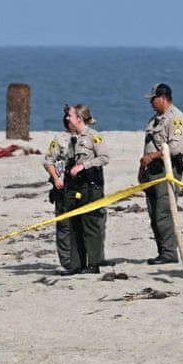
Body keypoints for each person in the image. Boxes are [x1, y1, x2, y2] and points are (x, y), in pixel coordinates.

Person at [138, 83, 183, 265]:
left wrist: (153, 156)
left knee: (164, 212)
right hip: (152, 171)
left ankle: (169, 253)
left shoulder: (176, 119)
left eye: (153, 99)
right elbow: (148, 146)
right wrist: (142, 169)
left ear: (163, 98)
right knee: (153, 213)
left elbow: (174, 148)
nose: (151, 103)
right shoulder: (155, 120)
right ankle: (162, 251)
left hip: (167, 169)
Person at [61, 104, 109, 275]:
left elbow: (104, 158)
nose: (67, 119)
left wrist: (84, 166)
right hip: (74, 186)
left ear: (79, 118)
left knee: (91, 225)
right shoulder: (71, 139)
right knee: (74, 225)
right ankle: (76, 265)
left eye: (70, 116)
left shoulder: (93, 137)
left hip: (90, 186)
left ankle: (94, 264)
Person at [42, 111, 75, 273]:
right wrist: (56, 178)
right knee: (64, 225)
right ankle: (67, 261)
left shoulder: (91, 137)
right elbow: (48, 160)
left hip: (85, 187)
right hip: (63, 187)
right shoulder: (59, 140)